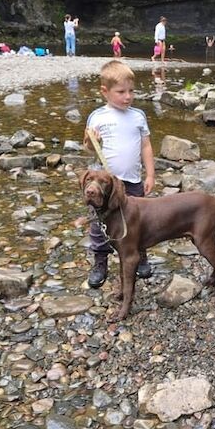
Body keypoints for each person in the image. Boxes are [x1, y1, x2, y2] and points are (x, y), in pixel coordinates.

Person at [83, 60, 156, 288]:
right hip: (105, 186)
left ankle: (140, 255)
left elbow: (146, 146)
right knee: (99, 223)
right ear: (105, 92)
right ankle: (100, 261)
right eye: (121, 92)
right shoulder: (97, 117)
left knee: (137, 221)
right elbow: (88, 146)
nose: (128, 97)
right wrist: (90, 139)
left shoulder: (138, 116)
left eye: (131, 91)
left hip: (132, 181)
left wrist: (151, 175)